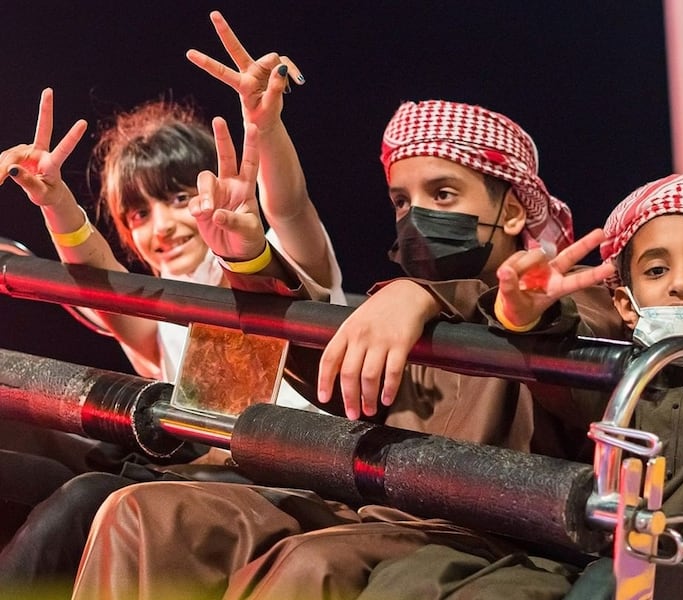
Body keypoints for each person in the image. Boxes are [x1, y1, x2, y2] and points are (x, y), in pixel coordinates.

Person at [69, 99, 625, 600]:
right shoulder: (396, 309)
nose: (417, 216)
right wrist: (249, 261)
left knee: (311, 567)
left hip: (484, 532)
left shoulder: (573, 298)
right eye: (403, 201)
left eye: (444, 194)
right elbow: (325, 369)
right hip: (365, 508)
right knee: (141, 514)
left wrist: (439, 297)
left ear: (510, 211)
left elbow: (551, 326)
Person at [0, 10, 343, 592]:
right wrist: (57, 202)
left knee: (85, 500)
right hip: (177, 471)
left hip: (290, 488)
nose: (161, 225)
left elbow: (288, 208)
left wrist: (266, 129)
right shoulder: (158, 318)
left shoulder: (279, 269)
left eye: (180, 196)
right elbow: (99, 284)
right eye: (138, 214)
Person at [471, 173, 683, 596]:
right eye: (657, 269)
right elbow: (542, 361)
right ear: (626, 304)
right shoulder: (618, 384)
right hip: (601, 579)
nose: (681, 284)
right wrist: (522, 314)